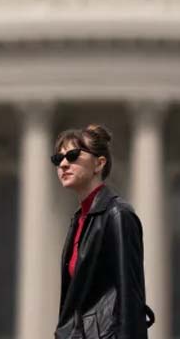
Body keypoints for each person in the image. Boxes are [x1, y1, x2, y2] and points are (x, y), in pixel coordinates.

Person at [53, 124, 152, 339]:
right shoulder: (80, 219)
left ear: (99, 163)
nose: (63, 164)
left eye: (72, 155)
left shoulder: (118, 215)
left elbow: (130, 296)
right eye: (57, 159)